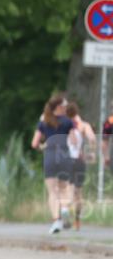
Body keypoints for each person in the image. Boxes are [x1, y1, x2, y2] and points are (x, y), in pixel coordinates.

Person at [31, 94, 80, 234]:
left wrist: (43, 147)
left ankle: (56, 221)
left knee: (52, 191)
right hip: (64, 156)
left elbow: (34, 143)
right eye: (64, 105)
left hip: (50, 157)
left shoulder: (43, 121)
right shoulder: (68, 122)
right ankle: (64, 209)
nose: (66, 108)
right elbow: (75, 141)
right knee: (64, 188)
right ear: (58, 107)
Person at [65, 101, 97, 231]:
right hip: (80, 160)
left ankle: (66, 214)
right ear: (77, 112)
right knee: (78, 192)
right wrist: (91, 153)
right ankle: (77, 221)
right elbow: (92, 139)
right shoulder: (84, 125)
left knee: (69, 190)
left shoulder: (65, 125)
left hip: (67, 160)